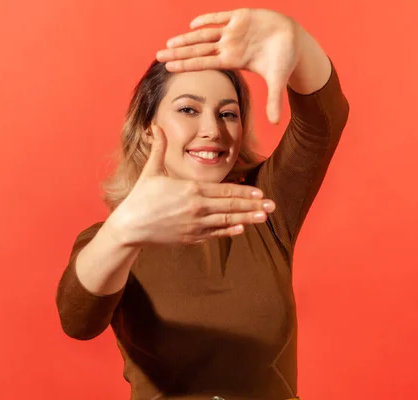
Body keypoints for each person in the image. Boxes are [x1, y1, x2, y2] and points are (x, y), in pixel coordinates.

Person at [56, 7, 349, 400]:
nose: (212, 130)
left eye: (228, 113)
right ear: (147, 131)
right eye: (188, 110)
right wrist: (125, 230)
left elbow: (323, 120)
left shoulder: (262, 205)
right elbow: (78, 318)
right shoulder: (114, 238)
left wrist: (298, 45)